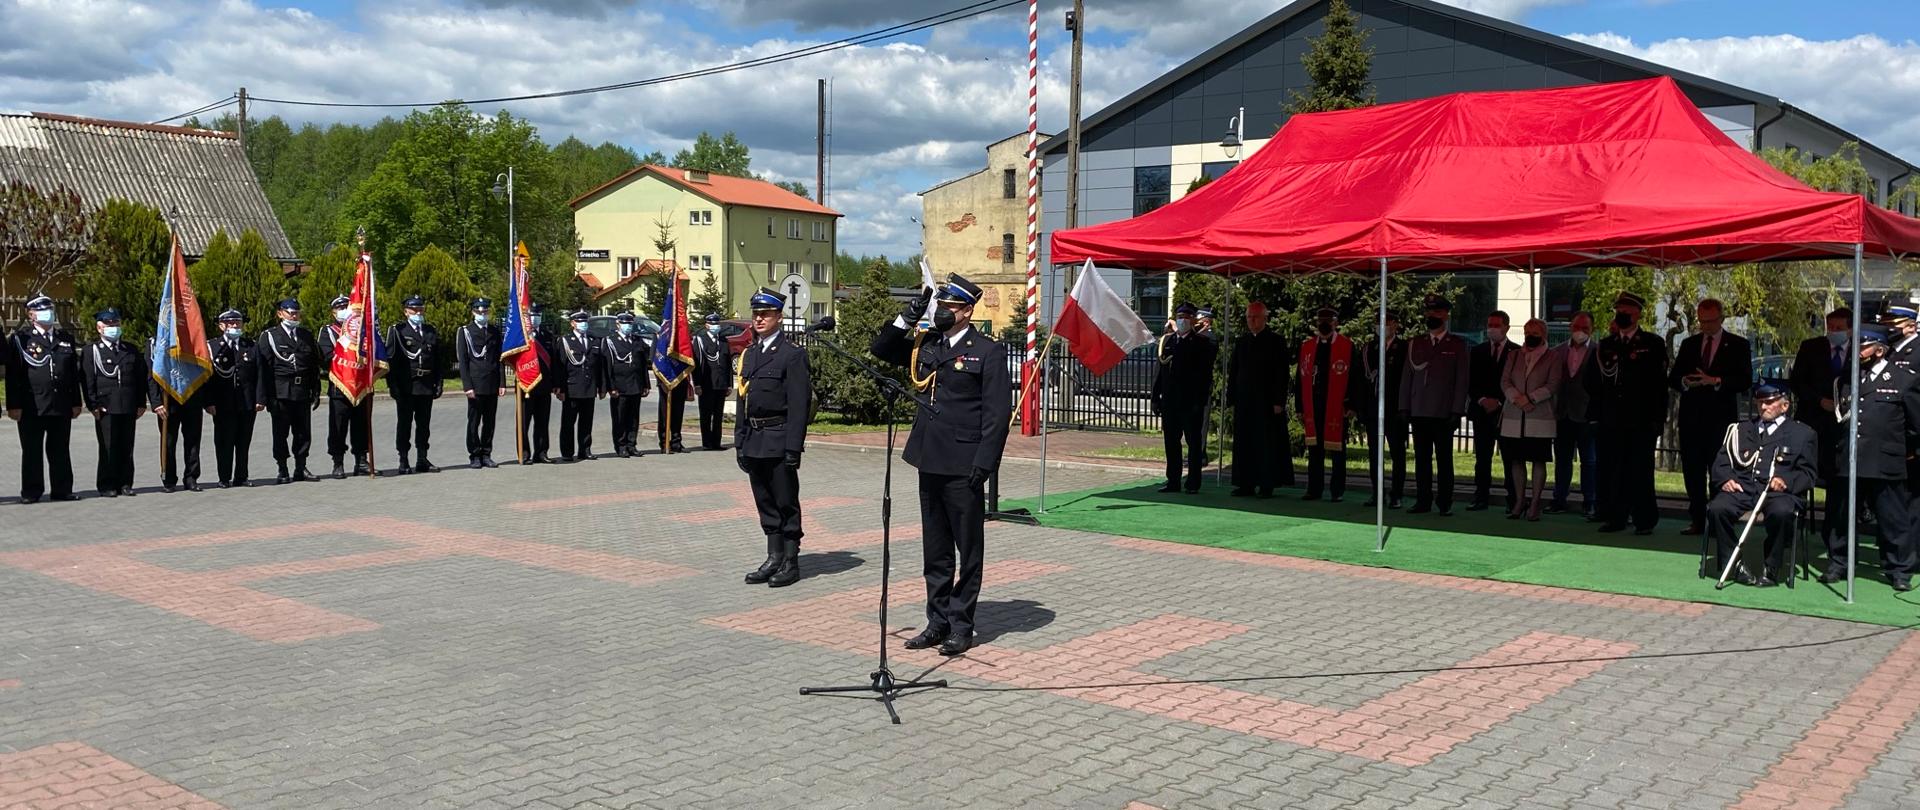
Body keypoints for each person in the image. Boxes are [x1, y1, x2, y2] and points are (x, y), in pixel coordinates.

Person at [870, 273, 1011, 656]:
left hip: (965, 465)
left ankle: (962, 625)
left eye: (949, 306)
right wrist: (906, 317)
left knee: (968, 550)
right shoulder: (927, 344)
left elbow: (997, 414)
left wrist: (985, 463)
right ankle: (937, 621)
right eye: (940, 305)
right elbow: (881, 349)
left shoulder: (987, 352)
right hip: (929, 459)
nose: (942, 311)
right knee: (935, 550)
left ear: (966, 311)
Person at [1824, 328, 1920, 591]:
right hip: (1851, 458)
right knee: (1843, 516)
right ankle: (1839, 562)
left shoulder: (1903, 379)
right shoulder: (1846, 380)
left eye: (1863, 346)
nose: (1857, 352)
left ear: (1879, 349)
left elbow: (1915, 424)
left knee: (1892, 517)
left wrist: (1903, 449)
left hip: (1884, 459)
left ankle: (1898, 569)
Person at [737, 289, 812, 587]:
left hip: (779, 439)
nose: (759, 319)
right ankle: (774, 556)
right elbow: (743, 400)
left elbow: (799, 405)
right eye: (756, 314)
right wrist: (740, 441)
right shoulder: (751, 354)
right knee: (765, 501)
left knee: (785, 501)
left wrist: (794, 448)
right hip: (754, 439)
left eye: (765, 314)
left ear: (779, 317)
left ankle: (791, 561)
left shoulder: (792, 355)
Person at [1706, 384, 1817, 586]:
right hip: (1743, 489)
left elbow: (1808, 474)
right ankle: (1734, 563)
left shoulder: (1802, 434)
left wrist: (1786, 482)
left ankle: (1772, 566)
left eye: (1769, 402)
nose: (1763, 407)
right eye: (1760, 402)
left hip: (1777, 493)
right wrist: (1726, 479)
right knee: (1717, 508)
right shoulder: (1741, 429)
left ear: (1785, 406)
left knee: (1782, 512)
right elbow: (1721, 462)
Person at [1668, 298, 1753, 536]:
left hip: (1720, 421)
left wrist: (1715, 381)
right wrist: (1686, 382)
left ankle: (1718, 520)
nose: (1705, 326)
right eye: (1702, 321)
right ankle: (1697, 519)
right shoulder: (1689, 344)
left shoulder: (1737, 345)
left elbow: (1745, 380)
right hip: (1692, 419)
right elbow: (1674, 378)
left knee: (1720, 471)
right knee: (1693, 472)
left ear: (1721, 319)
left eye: (1710, 321)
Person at [1588, 291, 1669, 536]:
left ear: (1637, 314)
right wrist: (1597, 415)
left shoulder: (1652, 344)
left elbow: (1659, 385)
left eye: (1626, 311)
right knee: (1613, 470)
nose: (1621, 315)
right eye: (1619, 311)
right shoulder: (1607, 345)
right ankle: (1616, 517)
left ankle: (1644, 520)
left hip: (1641, 419)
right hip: (1612, 419)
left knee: (1641, 470)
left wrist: (1658, 419)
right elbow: (1594, 383)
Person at [1400, 295, 1471, 516]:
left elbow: (1462, 380)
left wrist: (1457, 410)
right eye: (1429, 312)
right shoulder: (1415, 343)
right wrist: (1404, 407)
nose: (1432, 315)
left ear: (1446, 315)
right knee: (1422, 459)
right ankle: (1423, 500)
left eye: (1437, 312)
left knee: (1444, 460)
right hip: (1419, 409)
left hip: (1443, 411)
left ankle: (1444, 502)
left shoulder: (1457, 345)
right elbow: (1407, 377)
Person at [7, 296, 82, 502]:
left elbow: (72, 374)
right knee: (32, 450)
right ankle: (31, 491)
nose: (47, 313)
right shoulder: (21, 339)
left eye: (49, 309)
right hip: (32, 405)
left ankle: (62, 490)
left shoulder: (65, 338)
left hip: (60, 404)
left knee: (60, 449)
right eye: (41, 310)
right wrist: (14, 405)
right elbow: (13, 375)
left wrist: (76, 402)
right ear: (31, 315)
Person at [1790, 308, 1853, 551]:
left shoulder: (1859, 350)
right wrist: (1819, 401)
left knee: (1837, 483)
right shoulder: (1811, 347)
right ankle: (1792, 530)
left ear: (1850, 329)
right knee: (1800, 474)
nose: (1833, 332)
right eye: (1830, 328)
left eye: (1839, 328)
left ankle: (1833, 536)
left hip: (1843, 427)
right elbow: (1797, 382)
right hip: (1812, 422)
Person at [1499, 318, 1562, 521]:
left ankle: (1535, 503)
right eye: (1527, 332)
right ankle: (1519, 501)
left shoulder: (1553, 357)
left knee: (1538, 460)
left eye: (1534, 333)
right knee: (1516, 460)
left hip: (1540, 416)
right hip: (1513, 416)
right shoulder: (1514, 355)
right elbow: (1505, 381)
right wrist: (1516, 398)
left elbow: (1553, 384)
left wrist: (1531, 398)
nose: (1529, 336)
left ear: (1544, 335)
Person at [1227, 301, 1290, 498]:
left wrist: (1279, 401)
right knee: (1245, 443)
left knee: (1265, 444)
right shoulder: (1242, 342)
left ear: (1264, 318)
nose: (1251, 321)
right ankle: (1245, 483)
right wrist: (1231, 398)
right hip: (1245, 402)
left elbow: (1282, 374)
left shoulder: (1276, 342)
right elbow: (1234, 371)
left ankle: (1266, 484)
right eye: (1249, 317)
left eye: (1255, 317)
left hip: (1266, 403)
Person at [1152, 302, 1216, 494]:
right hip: (1170, 402)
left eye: (1186, 318)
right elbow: (1160, 373)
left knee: (1193, 443)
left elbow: (1205, 376)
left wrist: (1200, 401)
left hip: (1191, 402)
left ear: (1193, 320)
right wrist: (1155, 398)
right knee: (1171, 442)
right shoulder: (1167, 341)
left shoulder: (1202, 343)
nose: (1182, 321)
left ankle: (1193, 483)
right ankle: (1173, 480)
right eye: (1180, 317)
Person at [80, 308, 144, 498]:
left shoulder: (130, 349)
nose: (113, 327)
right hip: (105, 406)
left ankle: (125, 483)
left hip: (128, 405)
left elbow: (139, 378)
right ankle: (107, 484)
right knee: (108, 446)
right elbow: (88, 380)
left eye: (116, 323)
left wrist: (141, 402)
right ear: (99, 328)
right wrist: (92, 405)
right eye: (109, 324)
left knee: (127, 446)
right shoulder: (92, 351)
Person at [257, 298, 320, 484]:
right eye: (290, 312)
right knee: (280, 433)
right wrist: (265, 397)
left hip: (301, 391)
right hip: (280, 392)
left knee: (303, 433)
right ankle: (282, 468)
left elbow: (313, 366)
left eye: (296, 313)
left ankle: (301, 467)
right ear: (280, 314)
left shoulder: (305, 335)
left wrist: (315, 390)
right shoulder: (270, 336)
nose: (293, 316)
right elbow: (264, 369)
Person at [1297, 307, 1355, 502]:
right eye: (1320, 320)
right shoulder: (1307, 347)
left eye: (1328, 321)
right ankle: (1314, 489)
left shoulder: (1346, 346)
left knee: (1337, 450)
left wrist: (1351, 405)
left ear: (1335, 323)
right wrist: (1299, 407)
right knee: (1314, 450)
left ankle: (1337, 491)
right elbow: (1300, 378)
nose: (1323, 324)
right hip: (1313, 405)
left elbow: (1354, 377)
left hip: (1337, 406)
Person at [383, 295, 442, 474]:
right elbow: (391, 360)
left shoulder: (430, 330)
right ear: (406, 311)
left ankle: (422, 458)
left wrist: (438, 382)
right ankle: (403, 459)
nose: (418, 313)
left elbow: (437, 359)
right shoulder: (398, 331)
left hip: (425, 385)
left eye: (420, 309)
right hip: (406, 386)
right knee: (405, 424)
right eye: (414, 310)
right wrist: (392, 385)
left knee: (424, 425)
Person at [1549, 312, 1600, 519]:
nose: (1580, 332)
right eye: (1577, 327)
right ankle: (1559, 499)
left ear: (1592, 329)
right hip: (1563, 414)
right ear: (1571, 327)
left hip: (1588, 415)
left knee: (1589, 461)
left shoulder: (1599, 352)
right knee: (1562, 460)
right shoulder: (1558, 351)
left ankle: (1590, 501)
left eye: (1585, 328)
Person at [1468, 310, 1519, 512]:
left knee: (1509, 457)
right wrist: (1482, 400)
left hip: (1506, 412)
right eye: (1490, 325)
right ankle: (1481, 497)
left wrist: (1499, 401)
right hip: (1481, 411)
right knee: (1482, 457)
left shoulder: (1516, 352)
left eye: (1496, 325)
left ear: (1506, 327)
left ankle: (1513, 499)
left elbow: (1516, 382)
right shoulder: (1477, 351)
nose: (1492, 329)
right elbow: (1470, 380)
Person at [1357, 312, 1408, 508]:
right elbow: (1362, 380)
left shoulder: (1404, 348)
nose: (1382, 326)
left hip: (1395, 410)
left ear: (1395, 325)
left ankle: (1396, 494)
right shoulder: (1369, 348)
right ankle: (1377, 492)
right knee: (1374, 454)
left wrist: (1404, 408)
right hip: (1373, 409)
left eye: (1387, 322)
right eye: (1379, 322)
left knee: (1397, 454)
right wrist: (1362, 408)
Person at [318, 294, 372, 478]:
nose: (344, 311)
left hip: (361, 385)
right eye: (340, 308)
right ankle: (338, 462)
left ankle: (361, 460)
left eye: (346, 307)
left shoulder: (363, 330)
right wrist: (346, 345)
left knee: (361, 425)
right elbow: (326, 357)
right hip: (340, 386)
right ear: (333, 312)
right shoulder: (328, 331)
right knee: (338, 426)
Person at [147, 328, 206, 493]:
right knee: (168, 441)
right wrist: (156, 402)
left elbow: (203, 369)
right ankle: (169, 479)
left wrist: (206, 401)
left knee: (193, 440)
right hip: (168, 401)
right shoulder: (156, 342)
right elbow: (151, 374)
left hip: (191, 397)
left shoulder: (193, 338)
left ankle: (191, 477)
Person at [206, 309, 261, 488]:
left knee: (243, 441)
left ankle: (241, 476)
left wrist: (260, 398)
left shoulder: (251, 345)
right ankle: (224, 477)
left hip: (246, 401)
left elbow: (259, 374)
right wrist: (209, 402)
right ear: (221, 326)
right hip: (223, 403)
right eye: (231, 323)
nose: (235, 326)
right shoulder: (212, 346)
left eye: (238, 322)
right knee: (224, 441)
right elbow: (207, 379)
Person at [455, 298, 505, 469]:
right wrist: (467, 386)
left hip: (492, 383)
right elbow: (463, 361)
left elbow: (499, 359)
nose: (482, 314)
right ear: (473, 312)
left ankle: (486, 453)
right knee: (474, 422)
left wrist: (502, 383)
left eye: (485, 311)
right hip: (475, 384)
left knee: (489, 422)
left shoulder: (494, 331)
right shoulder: (465, 332)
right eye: (479, 311)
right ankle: (474, 454)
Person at [557, 310, 606, 462]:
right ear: (572, 323)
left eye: (585, 321)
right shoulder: (565, 341)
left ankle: (585, 450)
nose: (583, 324)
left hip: (589, 387)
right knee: (568, 422)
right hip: (571, 388)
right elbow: (561, 367)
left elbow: (599, 367)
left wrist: (601, 387)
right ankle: (567, 452)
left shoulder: (594, 340)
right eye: (579, 321)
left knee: (586, 421)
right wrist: (560, 388)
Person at [604, 312, 652, 458]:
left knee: (633, 418)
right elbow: (608, 366)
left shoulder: (637, 340)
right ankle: (621, 446)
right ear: (618, 324)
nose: (628, 326)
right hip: (620, 386)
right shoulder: (610, 341)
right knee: (620, 418)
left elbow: (642, 365)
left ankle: (632, 445)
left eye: (630, 324)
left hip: (635, 385)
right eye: (625, 323)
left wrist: (646, 384)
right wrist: (611, 387)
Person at [520, 303, 560, 464]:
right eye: (532, 315)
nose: (535, 318)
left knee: (542, 422)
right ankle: (524, 453)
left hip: (544, 385)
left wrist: (556, 383)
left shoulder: (547, 335)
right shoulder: (520, 336)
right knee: (524, 422)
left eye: (538, 315)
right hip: (526, 386)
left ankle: (541, 452)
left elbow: (554, 361)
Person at [692, 312, 734, 451]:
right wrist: (697, 384)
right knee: (706, 414)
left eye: (717, 324)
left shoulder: (723, 341)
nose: (715, 326)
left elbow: (728, 364)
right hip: (706, 384)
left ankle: (716, 442)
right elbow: (697, 365)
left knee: (718, 415)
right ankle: (707, 442)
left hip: (721, 384)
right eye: (712, 324)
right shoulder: (700, 340)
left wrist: (729, 384)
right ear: (706, 325)